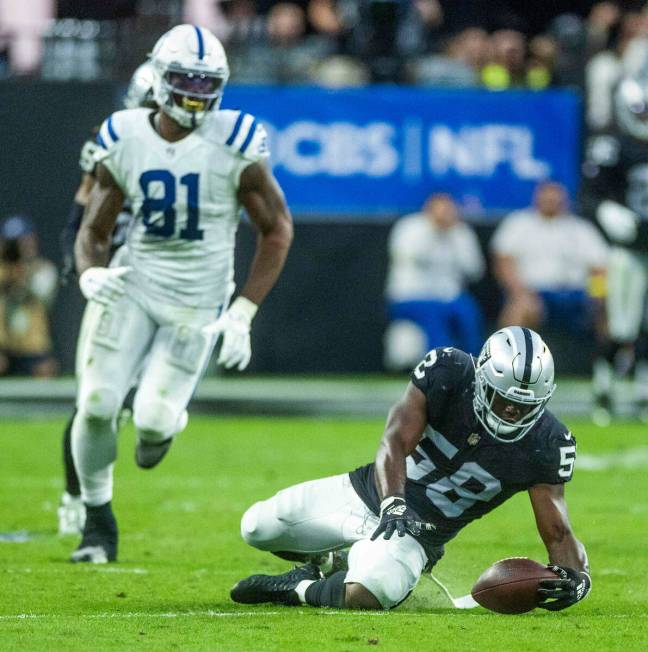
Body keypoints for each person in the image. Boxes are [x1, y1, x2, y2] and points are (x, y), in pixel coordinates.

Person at [70, 24, 293, 563]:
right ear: (160, 79)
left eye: (205, 81)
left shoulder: (236, 138)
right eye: (184, 79)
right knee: (97, 403)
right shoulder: (124, 134)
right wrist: (87, 271)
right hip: (134, 282)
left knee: (150, 423)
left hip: (197, 299)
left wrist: (243, 311)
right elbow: (94, 227)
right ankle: (97, 523)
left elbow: (278, 227)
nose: (195, 92)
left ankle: (165, 423)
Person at [230, 327, 590, 612]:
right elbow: (394, 441)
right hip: (367, 494)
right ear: (482, 379)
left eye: (523, 406)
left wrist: (578, 579)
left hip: (418, 534)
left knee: (371, 591)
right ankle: (324, 561)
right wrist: (393, 504)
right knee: (256, 527)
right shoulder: (448, 371)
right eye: (504, 398)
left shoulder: (548, 442)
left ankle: (298, 589)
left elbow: (558, 534)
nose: (511, 412)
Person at [57, 61, 159, 537]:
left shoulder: (200, 147)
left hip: (162, 278)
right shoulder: (114, 139)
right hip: (114, 275)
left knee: (125, 401)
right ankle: (77, 497)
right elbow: (83, 212)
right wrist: (82, 265)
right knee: (95, 400)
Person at [582, 75, 648, 423]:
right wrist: (608, 211)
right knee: (622, 325)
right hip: (627, 249)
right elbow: (589, 195)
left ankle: (641, 389)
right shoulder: (613, 146)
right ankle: (604, 386)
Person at [491, 181, 608, 336]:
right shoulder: (518, 223)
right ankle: (505, 357)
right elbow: (503, 263)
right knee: (520, 307)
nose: (551, 202)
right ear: (537, 198)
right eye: (547, 199)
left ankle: (610, 358)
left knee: (607, 309)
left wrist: (597, 295)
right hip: (534, 292)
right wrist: (519, 292)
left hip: (575, 294)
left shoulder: (581, 228)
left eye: (555, 199)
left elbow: (599, 268)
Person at [384, 193, 485, 371]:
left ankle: (473, 368)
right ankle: (439, 372)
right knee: (434, 316)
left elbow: (474, 271)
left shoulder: (460, 232)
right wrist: (435, 230)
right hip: (409, 297)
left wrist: (452, 238)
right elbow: (415, 257)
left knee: (468, 312)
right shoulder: (410, 227)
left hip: (450, 298)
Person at [0, 215, 58, 377]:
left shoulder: (43, 269)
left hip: (34, 348)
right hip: (3, 347)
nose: (20, 247)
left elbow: (42, 292)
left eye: (24, 241)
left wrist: (22, 272)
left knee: (45, 370)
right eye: (14, 243)